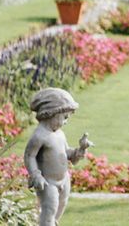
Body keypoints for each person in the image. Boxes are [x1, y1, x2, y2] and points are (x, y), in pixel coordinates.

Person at [23, 87, 92, 226]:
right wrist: (36, 175)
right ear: (52, 114)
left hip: (63, 179)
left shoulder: (59, 133)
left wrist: (80, 149)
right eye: (65, 117)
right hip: (48, 182)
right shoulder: (39, 136)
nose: (66, 121)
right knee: (49, 208)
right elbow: (29, 156)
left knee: (60, 206)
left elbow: (67, 153)